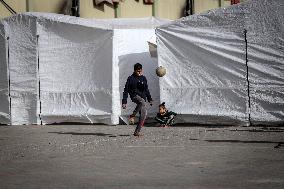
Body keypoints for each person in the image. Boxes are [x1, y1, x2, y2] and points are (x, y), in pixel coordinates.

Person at [122, 63, 153, 136]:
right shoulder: (130, 78)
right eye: (138, 71)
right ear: (135, 70)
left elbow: (146, 90)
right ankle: (132, 115)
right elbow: (125, 90)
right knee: (141, 102)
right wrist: (124, 101)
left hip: (143, 98)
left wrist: (150, 99)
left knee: (143, 115)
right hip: (135, 96)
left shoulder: (143, 78)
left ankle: (137, 132)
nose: (139, 72)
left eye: (140, 71)